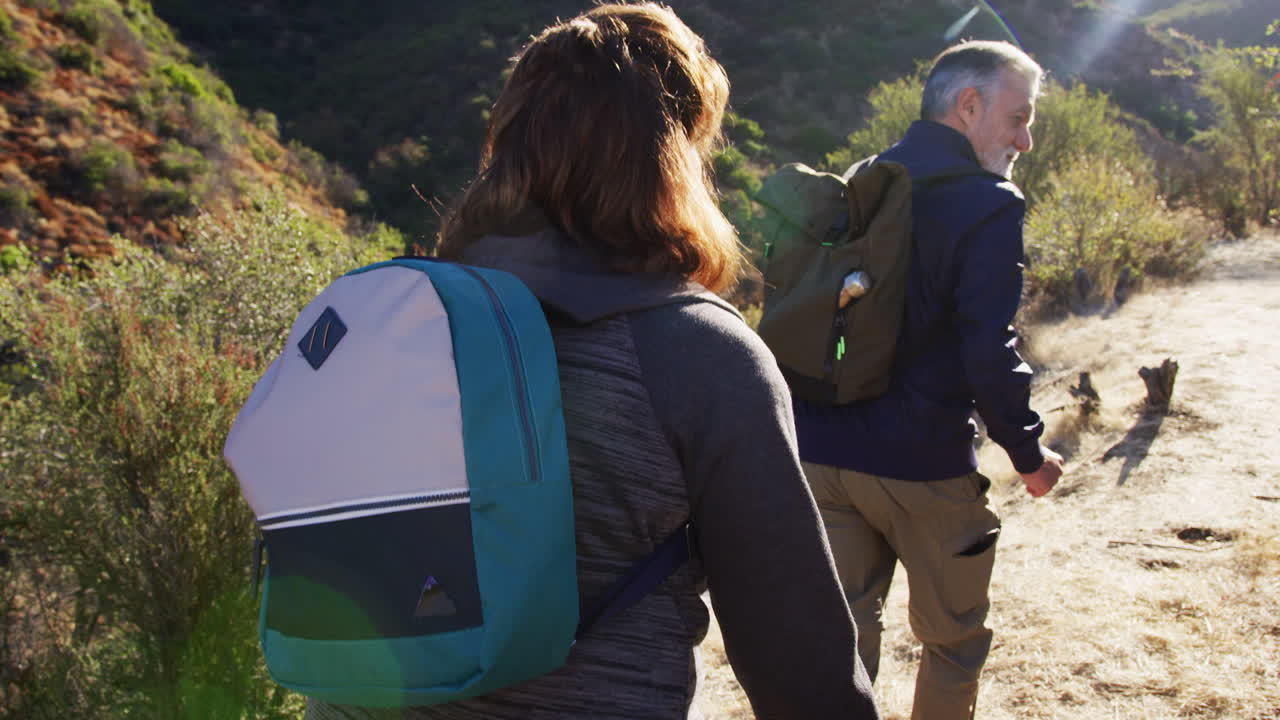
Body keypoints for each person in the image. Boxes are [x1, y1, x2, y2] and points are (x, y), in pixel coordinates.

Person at [305, 4, 880, 719]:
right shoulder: (698, 355)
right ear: (674, 160)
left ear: (507, 142)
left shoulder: (392, 323)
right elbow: (802, 665)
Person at [792, 40, 1066, 720]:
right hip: (922, 464)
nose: (1025, 141)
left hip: (822, 456)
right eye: (1018, 119)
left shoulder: (861, 179)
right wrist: (1028, 455)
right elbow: (988, 349)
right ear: (968, 106)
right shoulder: (988, 202)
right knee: (953, 642)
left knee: (840, 641)